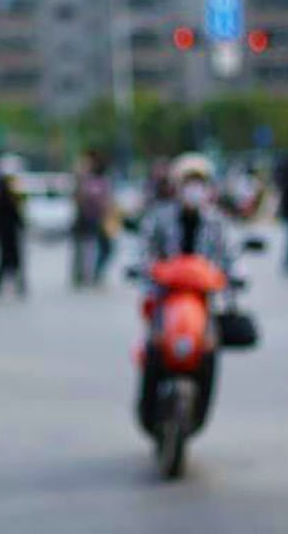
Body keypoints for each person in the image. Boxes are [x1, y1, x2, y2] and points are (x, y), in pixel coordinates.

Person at [136, 153, 232, 437]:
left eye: (199, 183)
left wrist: (234, 278)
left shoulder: (217, 223)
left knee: (209, 351)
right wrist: (147, 270)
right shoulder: (160, 218)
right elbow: (143, 252)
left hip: (202, 303)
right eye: (189, 182)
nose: (194, 189)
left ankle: (199, 413)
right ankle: (147, 410)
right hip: (166, 300)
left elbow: (231, 259)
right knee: (154, 348)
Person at [72, 151, 113, 286]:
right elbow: (79, 199)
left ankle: (93, 274)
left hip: (99, 220)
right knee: (86, 248)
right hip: (87, 219)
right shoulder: (85, 180)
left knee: (104, 248)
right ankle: (85, 276)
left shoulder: (101, 180)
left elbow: (106, 200)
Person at [0, 172, 26, 297]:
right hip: (8, 234)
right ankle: (12, 283)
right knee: (8, 260)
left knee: (7, 260)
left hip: (7, 234)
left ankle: (13, 283)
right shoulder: (5, 198)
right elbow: (15, 216)